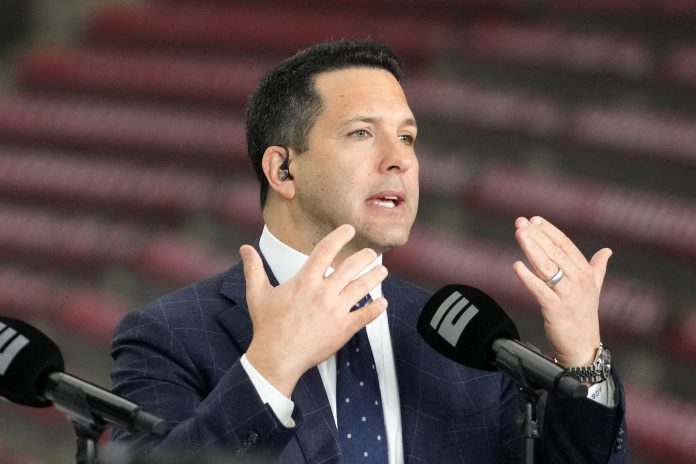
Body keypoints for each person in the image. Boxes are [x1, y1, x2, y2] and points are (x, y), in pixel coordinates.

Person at [109, 40, 627, 463]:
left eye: (408, 137)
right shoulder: (168, 335)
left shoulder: (461, 340)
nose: (399, 159)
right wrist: (269, 369)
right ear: (283, 170)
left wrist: (583, 359)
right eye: (362, 133)